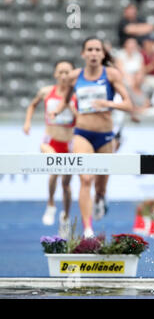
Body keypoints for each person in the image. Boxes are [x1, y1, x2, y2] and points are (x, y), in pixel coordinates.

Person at [50, 37, 133, 238]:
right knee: (85, 178)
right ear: (83, 54)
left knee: (101, 186)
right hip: (82, 134)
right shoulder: (74, 76)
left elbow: (128, 104)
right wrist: (57, 111)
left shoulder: (112, 75)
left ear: (103, 54)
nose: (94, 53)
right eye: (90, 49)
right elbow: (66, 99)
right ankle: (88, 229)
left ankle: (100, 199)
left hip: (105, 137)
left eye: (98, 49)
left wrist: (108, 103)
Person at [23, 60, 76, 239]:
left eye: (67, 72)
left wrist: (69, 107)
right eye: (60, 72)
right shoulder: (46, 92)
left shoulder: (76, 94)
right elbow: (32, 105)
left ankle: (66, 216)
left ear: (72, 75)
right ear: (55, 74)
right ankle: (51, 203)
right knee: (54, 169)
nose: (63, 75)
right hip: (50, 141)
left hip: (69, 144)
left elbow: (83, 119)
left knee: (66, 184)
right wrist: (27, 122)